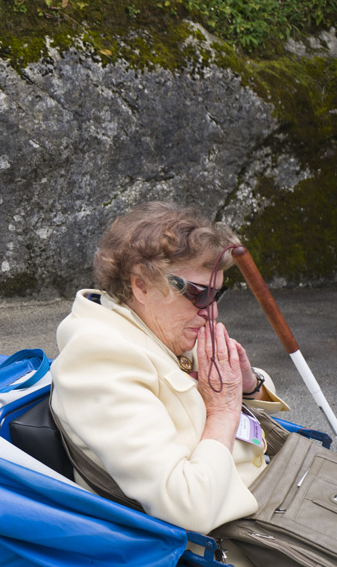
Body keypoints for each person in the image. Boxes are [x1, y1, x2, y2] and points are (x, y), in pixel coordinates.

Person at [50, 202, 290, 566]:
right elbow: (186, 508)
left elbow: (228, 416)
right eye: (200, 294)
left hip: (270, 508)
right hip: (232, 546)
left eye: (218, 295)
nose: (212, 311)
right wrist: (224, 406)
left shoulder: (154, 328)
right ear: (142, 285)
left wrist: (248, 387)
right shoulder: (99, 358)